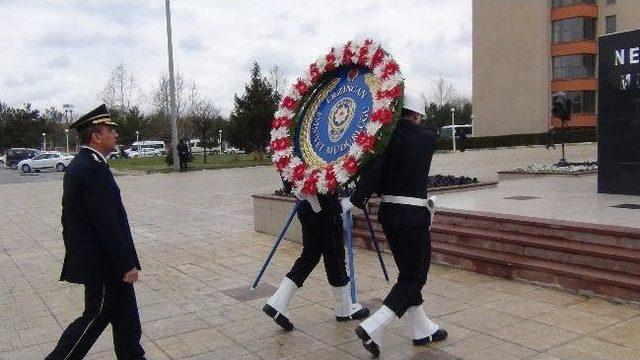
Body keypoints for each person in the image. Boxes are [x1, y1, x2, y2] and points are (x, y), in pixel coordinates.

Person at [341, 93, 448, 357]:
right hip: (413, 216)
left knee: (407, 275)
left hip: (389, 214)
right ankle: (373, 326)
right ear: (417, 115)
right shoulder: (427, 138)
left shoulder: (384, 139)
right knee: (415, 276)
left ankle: (421, 329)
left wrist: (356, 199)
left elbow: (375, 171)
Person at [46, 104, 146, 360]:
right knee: (95, 317)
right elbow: (108, 223)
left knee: (127, 321)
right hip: (104, 265)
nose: (115, 135)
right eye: (110, 130)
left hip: (106, 262)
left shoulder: (87, 164)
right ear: (96, 136)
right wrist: (126, 264)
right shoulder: (90, 168)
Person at [263, 191, 370, 331]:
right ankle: (344, 309)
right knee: (335, 258)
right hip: (326, 211)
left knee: (310, 256)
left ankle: (278, 302)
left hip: (306, 208)